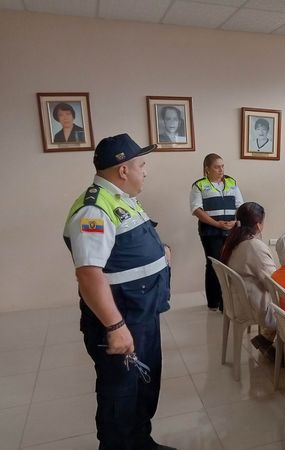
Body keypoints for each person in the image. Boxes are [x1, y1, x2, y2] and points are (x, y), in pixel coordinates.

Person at [63, 133, 175, 450]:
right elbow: (89, 274)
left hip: (142, 313)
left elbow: (130, 243)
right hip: (122, 318)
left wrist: (161, 250)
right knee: (121, 394)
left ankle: (141, 442)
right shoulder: (94, 210)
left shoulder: (122, 198)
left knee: (143, 386)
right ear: (123, 170)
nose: (146, 171)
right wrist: (115, 326)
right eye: (142, 165)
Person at [190, 153, 243, 311]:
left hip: (231, 230)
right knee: (214, 265)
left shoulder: (231, 182)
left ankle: (226, 302)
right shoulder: (199, 185)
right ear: (207, 169)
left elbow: (240, 205)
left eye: (222, 166)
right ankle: (214, 302)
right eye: (217, 167)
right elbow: (197, 210)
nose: (221, 170)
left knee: (230, 264)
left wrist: (235, 221)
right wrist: (217, 224)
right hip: (210, 232)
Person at [221, 202, 276, 332]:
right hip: (253, 305)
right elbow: (273, 284)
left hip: (237, 301)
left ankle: (268, 339)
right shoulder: (254, 247)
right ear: (258, 225)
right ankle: (275, 342)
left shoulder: (232, 241)